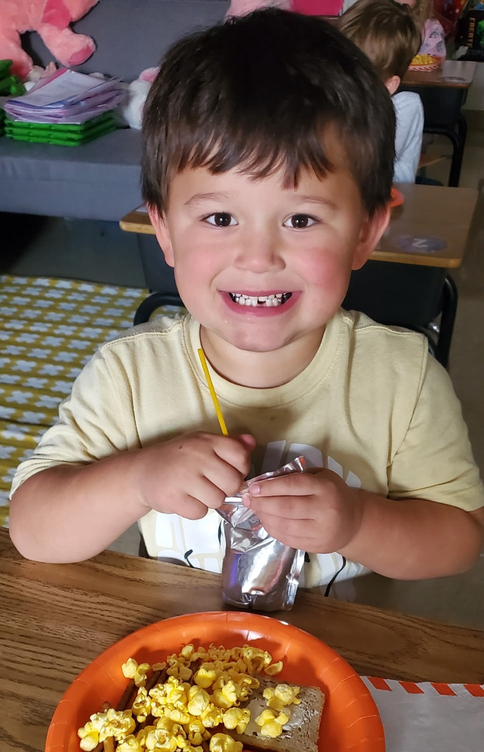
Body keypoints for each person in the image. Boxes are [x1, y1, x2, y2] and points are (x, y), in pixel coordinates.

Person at [8, 9, 484, 593]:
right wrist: (135, 479)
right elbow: (32, 530)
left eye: (302, 218)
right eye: (220, 217)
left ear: (365, 232)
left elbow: (460, 537)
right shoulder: (128, 377)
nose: (258, 258)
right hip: (180, 668)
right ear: (164, 231)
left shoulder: (404, 380)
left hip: (336, 662)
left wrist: (360, 521)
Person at [339, 0, 424, 182]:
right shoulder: (338, 96)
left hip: (392, 195)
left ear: (389, 86)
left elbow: (365, 166)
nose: (342, 81)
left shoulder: (406, 106)